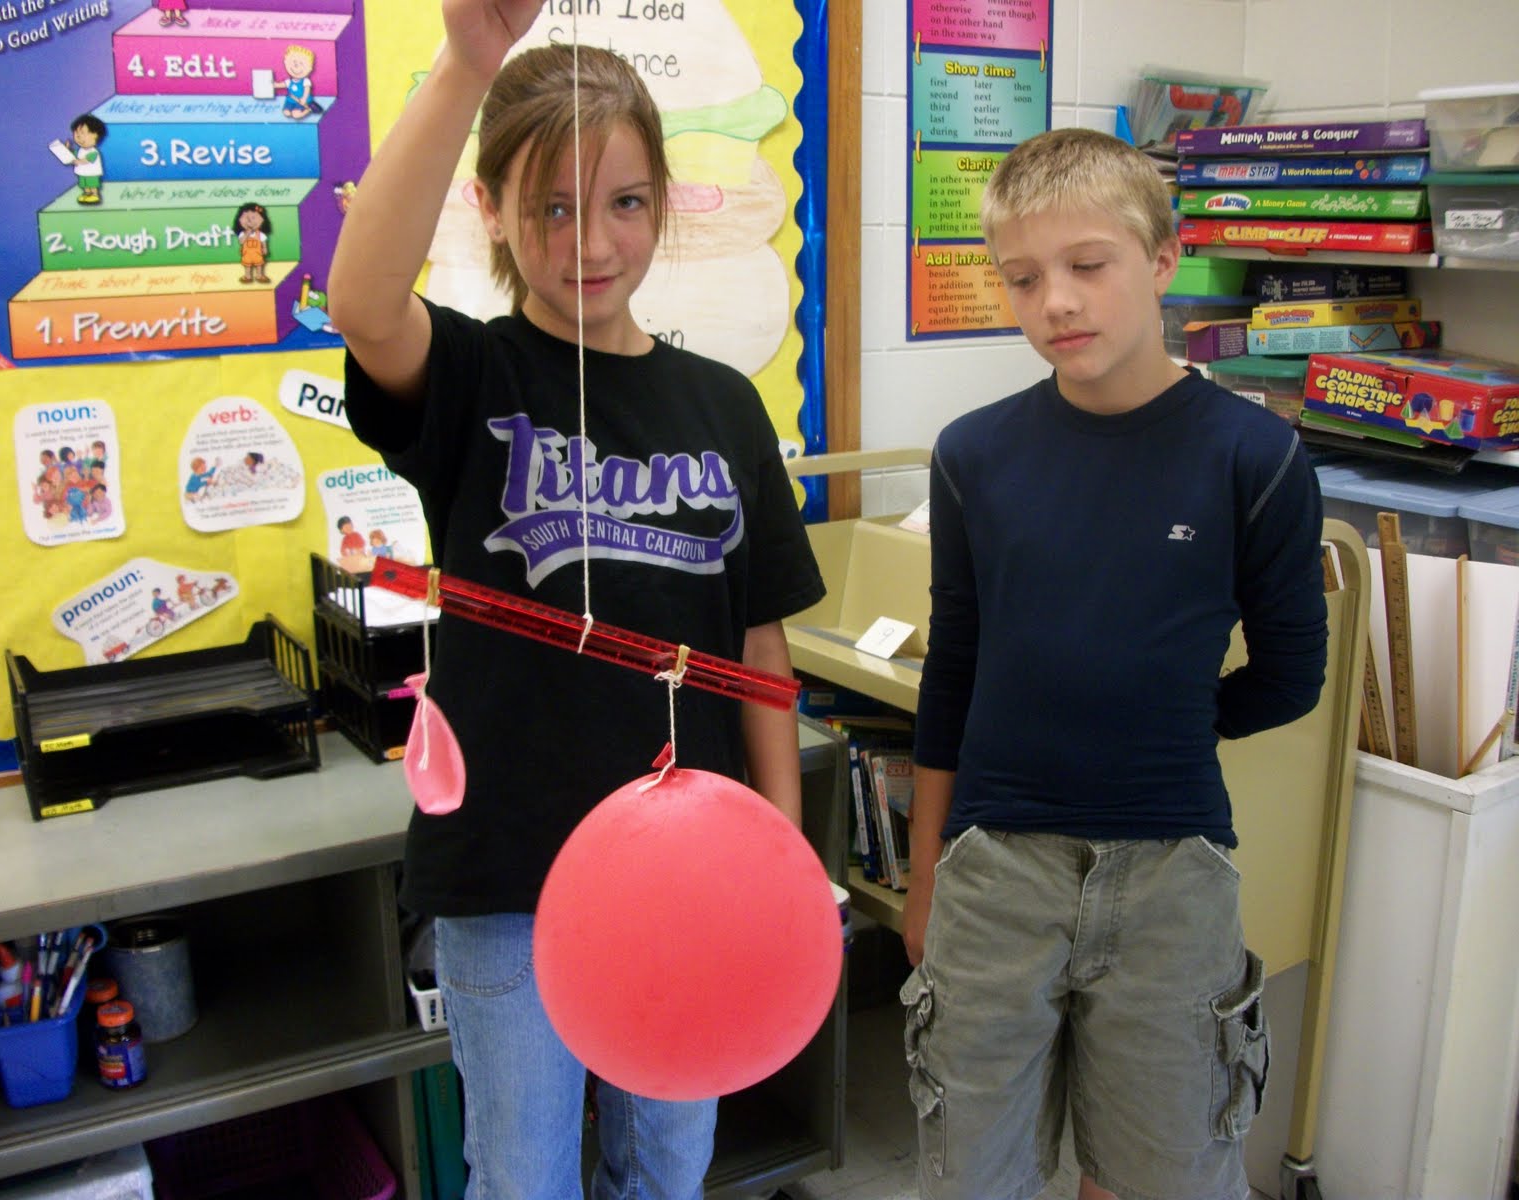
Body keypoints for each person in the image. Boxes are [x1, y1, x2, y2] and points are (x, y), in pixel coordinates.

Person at [327, 4, 825, 1196]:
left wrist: (787, 854)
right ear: (490, 210)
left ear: (661, 204)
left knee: (669, 1161)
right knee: (527, 1174)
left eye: (622, 202)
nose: (589, 241)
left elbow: (759, 648)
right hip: (506, 875)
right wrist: (464, 64)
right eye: (550, 205)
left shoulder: (723, 405)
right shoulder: (470, 377)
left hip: (693, 879)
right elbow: (360, 301)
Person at [901, 127, 1329, 1200]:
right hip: (994, 870)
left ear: (1162, 259)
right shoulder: (973, 455)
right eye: (1023, 277)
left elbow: (1288, 674)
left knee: (1162, 1170)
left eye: (1087, 265)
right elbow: (951, 676)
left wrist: (1162, 723)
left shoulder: (1254, 457)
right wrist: (924, 881)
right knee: (969, 1172)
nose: (1057, 301)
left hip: (1170, 876)